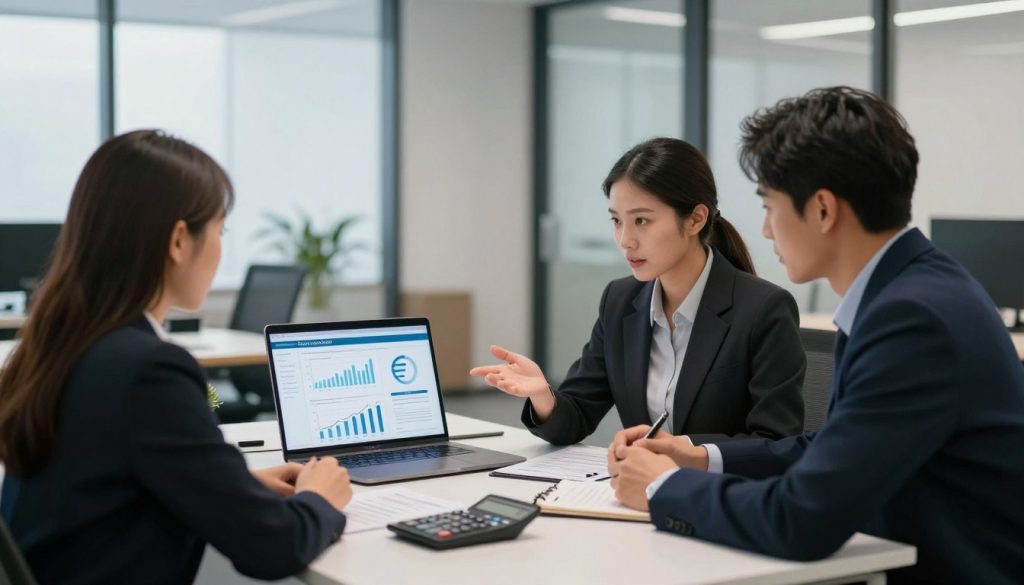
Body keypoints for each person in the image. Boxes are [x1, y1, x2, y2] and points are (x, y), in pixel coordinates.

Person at [609, 87, 1024, 584]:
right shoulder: (907, 289)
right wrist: (699, 457)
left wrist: (664, 489)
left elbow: (801, 519)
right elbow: (833, 449)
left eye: (769, 207)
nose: (764, 230)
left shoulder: (911, 318)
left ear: (823, 210)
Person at [0, 130, 352, 584]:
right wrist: (319, 499)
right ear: (180, 240)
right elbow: (273, 548)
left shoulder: (59, 343)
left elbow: (108, 480)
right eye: (220, 230)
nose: (221, 247)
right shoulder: (148, 370)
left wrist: (232, 485)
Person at [471, 137, 805, 446]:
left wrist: (683, 451)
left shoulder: (763, 310)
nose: (625, 240)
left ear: (695, 219)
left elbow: (775, 443)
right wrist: (542, 394)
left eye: (641, 221)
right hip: (639, 498)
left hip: (721, 498)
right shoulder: (620, 301)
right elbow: (575, 419)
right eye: (617, 221)